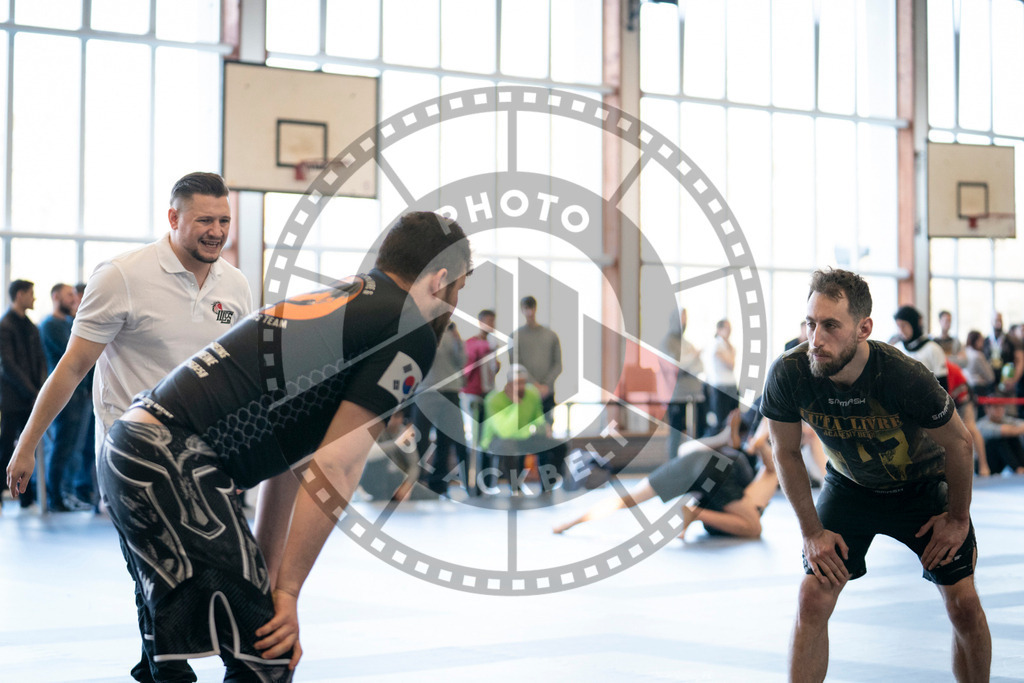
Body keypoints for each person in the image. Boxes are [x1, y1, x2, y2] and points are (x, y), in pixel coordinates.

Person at [79, 211, 467, 680]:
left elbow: (294, 458)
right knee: (268, 656)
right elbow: (337, 468)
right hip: (172, 462)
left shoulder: (345, 300)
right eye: (458, 290)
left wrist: (269, 579)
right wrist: (287, 594)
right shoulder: (409, 330)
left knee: (180, 664)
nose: (454, 304)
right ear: (440, 278)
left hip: (134, 450)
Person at [6, 171, 253, 682]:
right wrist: (27, 445)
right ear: (173, 218)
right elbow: (72, 368)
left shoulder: (236, 284)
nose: (216, 230)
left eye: (224, 220)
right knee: (160, 576)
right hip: (134, 456)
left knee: (228, 574)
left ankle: (187, 662)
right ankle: (167, 670)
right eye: (204, 219)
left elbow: (241, 373)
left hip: (209, 454)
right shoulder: (122, 276)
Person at [761, 268, 990, 683]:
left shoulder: (903, 377)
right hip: (850, 487)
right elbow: (786, 452)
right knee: (812, 597)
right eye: (811, 323)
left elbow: (960, 444)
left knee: (963, 605)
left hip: (922, 487)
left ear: (864, 328)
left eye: (831, 325)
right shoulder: (789, 374)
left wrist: (957, 520)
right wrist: (812, 532)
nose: (816, 339)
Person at [553, 403, 787, 539]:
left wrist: (758, 443)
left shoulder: (738, 484)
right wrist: (761, 444)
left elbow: (687, 450)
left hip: (698, 461)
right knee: (753, 528)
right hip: (717, 469)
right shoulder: (754, 492)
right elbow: (770, 469)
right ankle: (693, 513)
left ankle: (571, 522)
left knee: (630, 499)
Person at [38, 283, 90, 511]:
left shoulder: (68, 323)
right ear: (56, 296)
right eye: (69, 295)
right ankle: (55, 498)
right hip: (65, 395)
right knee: (61, 447)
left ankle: (66, 493)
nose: (73, 299)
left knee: (74, 449)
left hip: (80, 393)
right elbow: (71, 354)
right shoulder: (49, 325)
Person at [480, 364, 566, 493]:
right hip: (496, 440)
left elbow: (538, 417)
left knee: (559, 446)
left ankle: (548, 485)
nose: (520, 387)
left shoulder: (531, 394)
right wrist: (516, 405)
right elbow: (505, 431)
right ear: (508, 384)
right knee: (507, 445)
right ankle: (515, 487)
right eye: (516, 383)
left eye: (523, 383)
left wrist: (544, 427)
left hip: (523, 437)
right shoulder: (494, 399)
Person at [411, 321, 473, 496]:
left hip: (451, 391)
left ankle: (441, 484)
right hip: (426, 391)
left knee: (451, 439)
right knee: (420, 441)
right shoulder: (421, 331)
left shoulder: (452, 334)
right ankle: (416, 484)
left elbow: (462, 360)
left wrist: (457, 339)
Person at [0, 279, 47, 509]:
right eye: (31, 293)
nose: (34, 298)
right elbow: (7, 365)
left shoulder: (31, 326)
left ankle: (26, 499)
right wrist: (33, 391)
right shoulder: (4, 325)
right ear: (19, 295)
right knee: (6, 448)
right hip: (11, 400)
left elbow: (40, 359)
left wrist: (41, 389)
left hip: (31, 399)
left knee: (30, 448)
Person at [510, 295, 562, 420]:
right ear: (522, 310)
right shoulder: (515, 337)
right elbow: (516, 364)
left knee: (547, 429)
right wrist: (533, 385)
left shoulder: (550, 335)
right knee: (525, 428)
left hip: (547, 392)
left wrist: (545, 385)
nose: (529, 311)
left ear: (536, 308)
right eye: (526, 308)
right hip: (525, 392)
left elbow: (558, 365)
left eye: (531, 307)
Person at [661, 308, 703, 459]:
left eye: (686, 318)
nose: (684, 322)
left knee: (695, 432)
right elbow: (677, 365)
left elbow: (700, 366)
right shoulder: (668, 342)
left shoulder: (686, 343)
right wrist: (692, 358)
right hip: (675, 395)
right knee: (676, 433)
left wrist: (689, 360)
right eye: (681, 318)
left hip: (693, 394)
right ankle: (673, 465)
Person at [461, 309, 499, 449]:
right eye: (489, 321)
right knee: (475, 433)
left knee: (486, 435)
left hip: (488, 394)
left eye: (493, 321)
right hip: (472, 394)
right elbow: (468, 366)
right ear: (481, 322)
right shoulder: (472, 343)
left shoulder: (491, 345)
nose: (492, 325)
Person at [893, 305, 948, 390]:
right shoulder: (896, 349)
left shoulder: (933, 349)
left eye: (904, 325)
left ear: (914, 324)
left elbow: (943, 386)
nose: (901, 331)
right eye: (898, 326)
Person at [974, 390, 1024, 476]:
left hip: (1000, 463)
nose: (1000, 410)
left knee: (1013, 438)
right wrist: (1016, 430)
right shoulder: (982, 424)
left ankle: (1021, 467)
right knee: (999, 439)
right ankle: (1018, 469)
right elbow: (1005, 431)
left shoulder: (1005, 419)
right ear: (987, 408)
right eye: (996, 407)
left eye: (1001, 406)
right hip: (983, 465)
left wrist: (1016, 430)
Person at [703, 318, 737, 435]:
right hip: (720, 386)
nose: (729, 331)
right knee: (721, 421)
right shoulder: (716, 345)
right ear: (719, 330)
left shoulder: (729, 346)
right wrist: (730, 352)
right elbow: (730, 364)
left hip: (731, 385)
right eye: (726, 328)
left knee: (733, 421)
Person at [982, 312, 1023, 397]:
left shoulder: (1011, 341)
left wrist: (1014, 379)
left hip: (1007, 383)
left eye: (1000, 320)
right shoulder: (985, 341)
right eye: (996, 320)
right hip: (990, 384)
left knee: (1009, 409)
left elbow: (1020, 361)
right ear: (991, 322)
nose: (998, 323)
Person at [963, 330, 997, 398]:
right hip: (979, 389)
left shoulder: (964, 353)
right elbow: (990, 377)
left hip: (966, 387)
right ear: (976, 341)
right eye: (981, 340)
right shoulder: (978, 356)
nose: (983, 343)